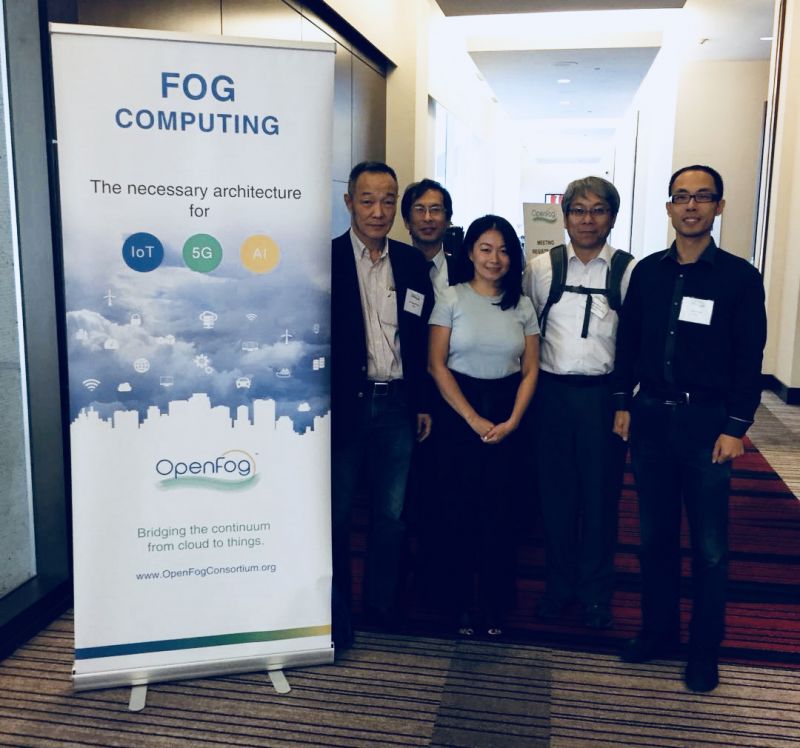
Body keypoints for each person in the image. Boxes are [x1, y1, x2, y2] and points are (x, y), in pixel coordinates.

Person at [612, 165, 767, 692]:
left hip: (707, 424)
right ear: (669, 207)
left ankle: (704, 649)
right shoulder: (648, 273)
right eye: (681, 197)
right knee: (654, 538)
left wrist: (736, 425)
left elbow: (749, 357)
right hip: (651, 419)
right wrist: (622, 401)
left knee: (709, 546)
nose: (691, 206)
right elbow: (628, 343)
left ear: (719, 207)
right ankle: (658, 631)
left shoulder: (740, 278)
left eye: (703, 197)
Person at [330, 161, 434, 649]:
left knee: (390, 515)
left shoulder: (412, 265)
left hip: (397, 405)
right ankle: (336, 612)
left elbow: (421, 339)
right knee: (336, 514)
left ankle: (381, 605)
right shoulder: (325, 260)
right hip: (343, 406)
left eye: (388, 200)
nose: (378, 211)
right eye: (367, 200)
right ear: (348, 202)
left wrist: (422, 402)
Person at [523, 176, 634, 630]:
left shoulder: (628, 270)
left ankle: (595, 596)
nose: (588, 220)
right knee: (556, 499)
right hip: (550, 398)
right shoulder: (541, 268)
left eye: (598, 210)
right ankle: (557, 588)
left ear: (612, 217)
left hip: (603, 401)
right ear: (565, 216)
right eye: (578, 210)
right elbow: (527, 332)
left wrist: (626, 403)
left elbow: (634, 344)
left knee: (601, 500)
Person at [428, 214, 539, 636]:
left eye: (504, 250)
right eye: (486, 249)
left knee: (500, 515)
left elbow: (530, 370)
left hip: (508, 417)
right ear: (471, 253)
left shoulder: (522, 305)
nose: (495, 259)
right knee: (457, 513)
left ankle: (495, 605)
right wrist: (473, 418)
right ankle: (456, 603)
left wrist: (513, 421)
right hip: (459, 416)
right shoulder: (451, 297)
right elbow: (436, 365)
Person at [401, 178, 456, 296]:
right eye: (419, 210)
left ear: (448, 220)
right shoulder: (395, 270)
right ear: (406, 221)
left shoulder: (465, 271)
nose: (427, 218)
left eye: (435, 210)